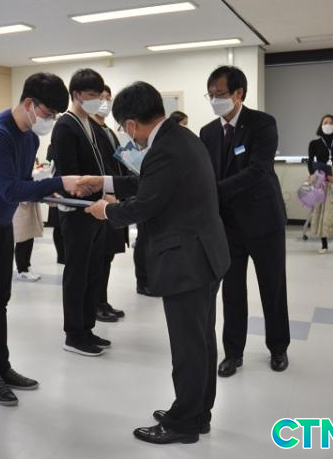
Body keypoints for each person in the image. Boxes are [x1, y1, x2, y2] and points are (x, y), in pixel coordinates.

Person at [77, 81, 230, 445]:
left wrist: (105, 210)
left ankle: (184, 423)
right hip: (206, 254)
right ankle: (198, 413)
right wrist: (103, 181)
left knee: (188, 346)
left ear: (131, 124)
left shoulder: (164, 149)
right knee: (201, 340)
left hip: (186, 261)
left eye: (125, 129)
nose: (129, 136)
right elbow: (152, 184)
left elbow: (145, 204)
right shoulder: (181, 137)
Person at [0, 72, 79, 406]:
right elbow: (10, 189)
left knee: (0, 299)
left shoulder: (30, 139)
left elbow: (23, 186)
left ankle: (2, 367)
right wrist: (60, 182)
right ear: (29, 104)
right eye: (48, 113)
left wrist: (52, 191)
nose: (49, 120)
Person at [198, 65, 291, 377]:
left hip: (264, 221)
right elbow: (207, 172)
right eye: (210, 95)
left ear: (238, 93)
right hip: (228, 226)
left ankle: (278, 348)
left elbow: (258, 170)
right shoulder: (208, 132)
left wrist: (214, 190)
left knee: (272, 287)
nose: (215, 100)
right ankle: (233, 353)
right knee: (232, 291)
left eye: (220, 94)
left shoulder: (262, 123)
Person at [51, 68, 112, 356]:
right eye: (91, 95)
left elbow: (100, 166)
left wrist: (107, 191)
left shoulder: (90, 123)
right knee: (77, 273)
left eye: (99, 95)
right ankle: (73, 334)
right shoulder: (66, 125)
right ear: (76, 94)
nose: (97, 100)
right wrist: (96, 191)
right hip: (77, 211)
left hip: (96, 210)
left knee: (93, 271)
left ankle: (87, 327)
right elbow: (70, 175)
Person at [90, 85, 126, 322]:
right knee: (98, 257)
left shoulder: (109, 131)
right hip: (101, 200)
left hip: (115, 198)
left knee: (108, 255)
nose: (105, 102)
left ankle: (102, 299)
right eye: (99, 97)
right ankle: (95, 303)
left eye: (108, 98)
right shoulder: (90, 130)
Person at [307, 114, 333, 255]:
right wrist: (314, 175)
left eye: (331, 122)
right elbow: (310, 162)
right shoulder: (314, 143)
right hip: (320, 177)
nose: (328, 124)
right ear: (321, 125)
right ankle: (324, 244)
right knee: (322, 211)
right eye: (325, 122)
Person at [45, 142, 65, 264]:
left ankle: (64, 255)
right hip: (56, 188)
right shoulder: (53, 146)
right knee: (58, 225)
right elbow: (48, 167)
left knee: (63, 226)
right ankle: (61, 256)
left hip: (66, 187)